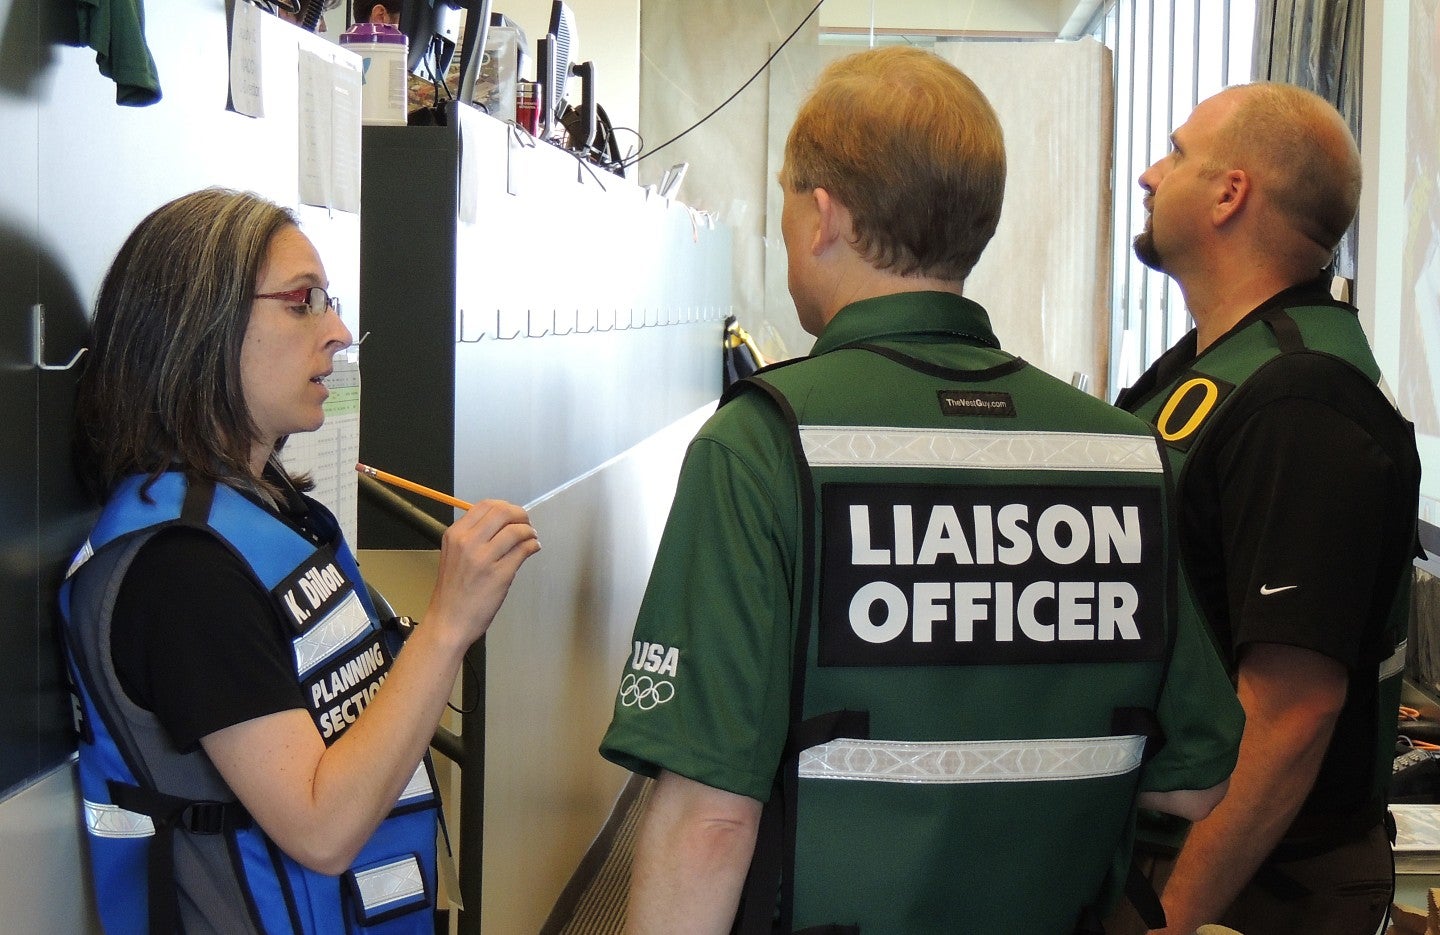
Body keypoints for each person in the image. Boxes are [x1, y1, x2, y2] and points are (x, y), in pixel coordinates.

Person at [599, 47, 1243, 935]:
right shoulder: (1126, 454)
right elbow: (1196, 778)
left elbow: (709, 820)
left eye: (789, 197)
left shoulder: (762, 446)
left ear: (822, 215)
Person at [61, 188, 540, 934]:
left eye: (330, 300)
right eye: (303, 302)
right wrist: (447, 622)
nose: (341, 332)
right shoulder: (183, 571)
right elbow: (322, 826)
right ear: (202, 325)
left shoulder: (270, 509)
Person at [1108, 83, 1422, 935]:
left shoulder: (1303, 397)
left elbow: (1290, 709)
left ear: (1229, 192)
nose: (1147, 173)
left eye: (1173, 153)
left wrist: (1171, 919)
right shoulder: (1213, 369)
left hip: (1252, 885)